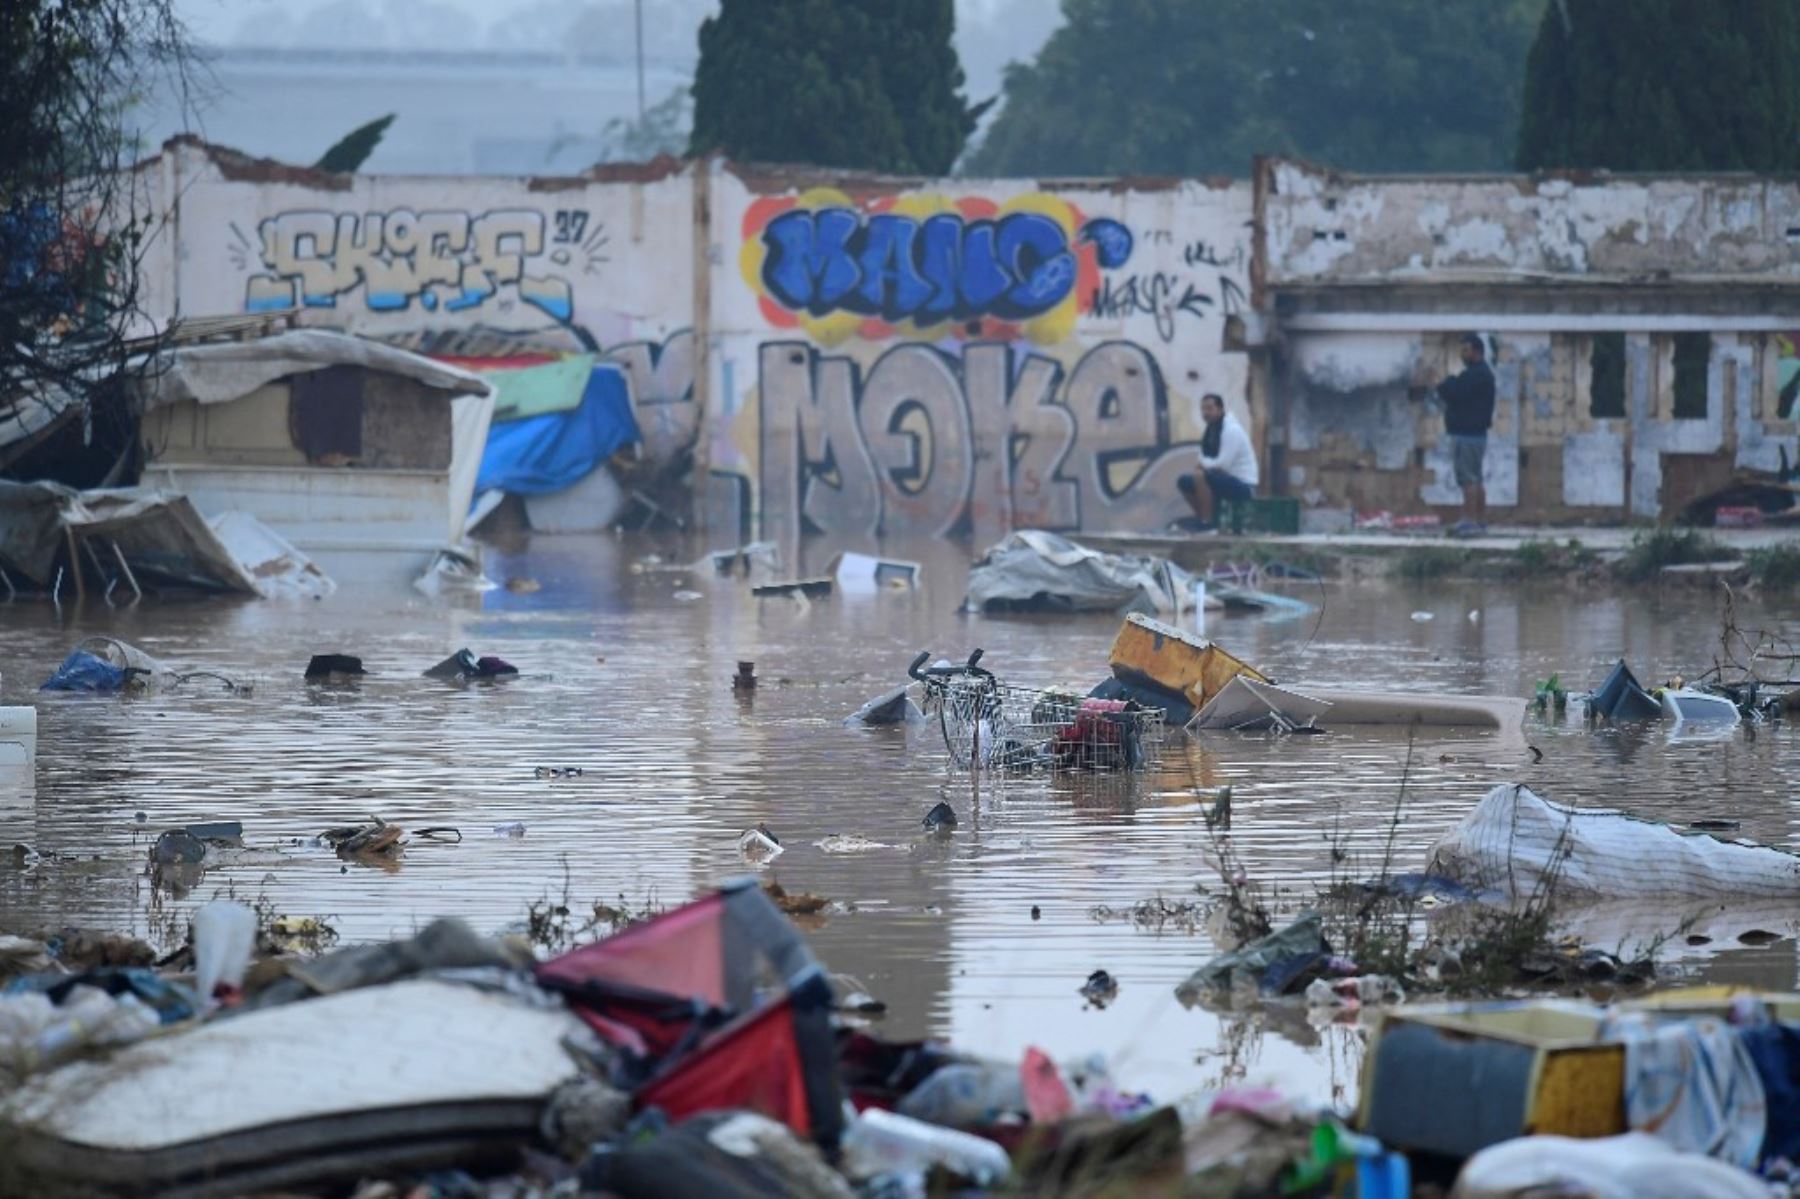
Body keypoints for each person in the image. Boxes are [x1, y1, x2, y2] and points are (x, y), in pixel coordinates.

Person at [1432, 333, 1495, 536]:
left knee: (1468, 479)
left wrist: (1442, 381)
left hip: (1466, 435)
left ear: (1477, 352)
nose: (1462, 355)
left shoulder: (1476, 375)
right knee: (1476, 479)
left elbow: (1452, 391)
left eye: (1466, 350)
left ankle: (1470, 521)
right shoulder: (1481, 374)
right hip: (1476, 435)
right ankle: (1480, 520)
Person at [1177, 393, 1258, 531]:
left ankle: (1208, 523)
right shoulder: (1211, 430)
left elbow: (1223, 465)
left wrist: (1204, 466)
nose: (1205, 413)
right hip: (1222, 479)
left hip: (1244, 485)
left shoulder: (1231, 430)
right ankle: (1202, 517)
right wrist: (1205, 466)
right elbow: (1202, 458)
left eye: (1209, 408)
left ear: (1220, 410)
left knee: (1200, 476)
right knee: (1183, 481)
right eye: (1203, 409)